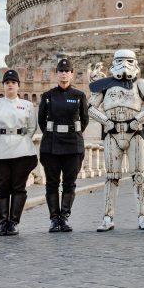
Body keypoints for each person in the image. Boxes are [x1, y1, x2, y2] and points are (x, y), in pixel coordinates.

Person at [88, 50, 144, 232]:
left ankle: (142, 216)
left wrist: (136, 121)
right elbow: (89, 108)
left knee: (139, 175)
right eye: (120, 60)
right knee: (111, 177)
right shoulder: (105, 85)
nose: (124, 65)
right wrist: (106, 121)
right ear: (113, 63)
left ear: (135, 63)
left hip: (134, 132)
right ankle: (107, 217)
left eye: (128, 61)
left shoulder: (141, 84)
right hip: (112, 132)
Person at [0, 69, 38, 236]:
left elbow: (31, 128)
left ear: (18, 86)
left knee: (18, 187)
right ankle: (3, 222)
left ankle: (13, 222)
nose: (10, 86)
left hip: (22, 150)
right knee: (1, 187)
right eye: (7, 83)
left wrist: (19, 139)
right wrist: (1, 139)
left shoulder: (27, 105)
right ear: (3, 86)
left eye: (13, 83)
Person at [38, 58, 89, 233]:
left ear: (72, 74)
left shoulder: (79, 96)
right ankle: (54, 219)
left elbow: (84, 120)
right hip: (51, 145)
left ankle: (64, 218)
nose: (64, 74)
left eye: (67, 71)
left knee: (69, 183)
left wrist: (71, 132)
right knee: (52, 183)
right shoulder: (47, 96)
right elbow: (41, 122)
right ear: (56, 74)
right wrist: (54, 133)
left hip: (73, 145)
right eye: (61, 71)